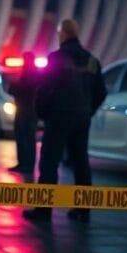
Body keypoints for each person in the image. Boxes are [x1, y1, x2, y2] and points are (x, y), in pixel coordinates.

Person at [24, 19, 107, 224]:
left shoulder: (56, 58)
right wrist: (88, 110)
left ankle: (44, 211)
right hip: (81, 117)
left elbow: (43, 89)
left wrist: (43, 112)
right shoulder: (92, 61)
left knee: (49, 162)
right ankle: (83, 209)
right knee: (81, 162)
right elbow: (101, 92)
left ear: (63, 34)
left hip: (59, 116)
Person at [7, 51, 41, 181]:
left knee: (23, 137)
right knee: (28, 138)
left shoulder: (27, 74)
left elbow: (16, 90)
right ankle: (27, 164)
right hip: (31, 110)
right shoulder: (36, 74)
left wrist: (13, 84)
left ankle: (24, 164)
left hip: (24, 110)